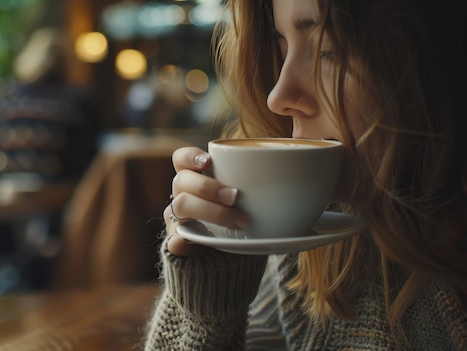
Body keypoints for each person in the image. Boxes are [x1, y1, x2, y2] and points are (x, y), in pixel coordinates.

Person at [144, 0, 467, 349]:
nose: (278, 97)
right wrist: (207, 307)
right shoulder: (315, 248)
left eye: (330, 51)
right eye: (282, 46)